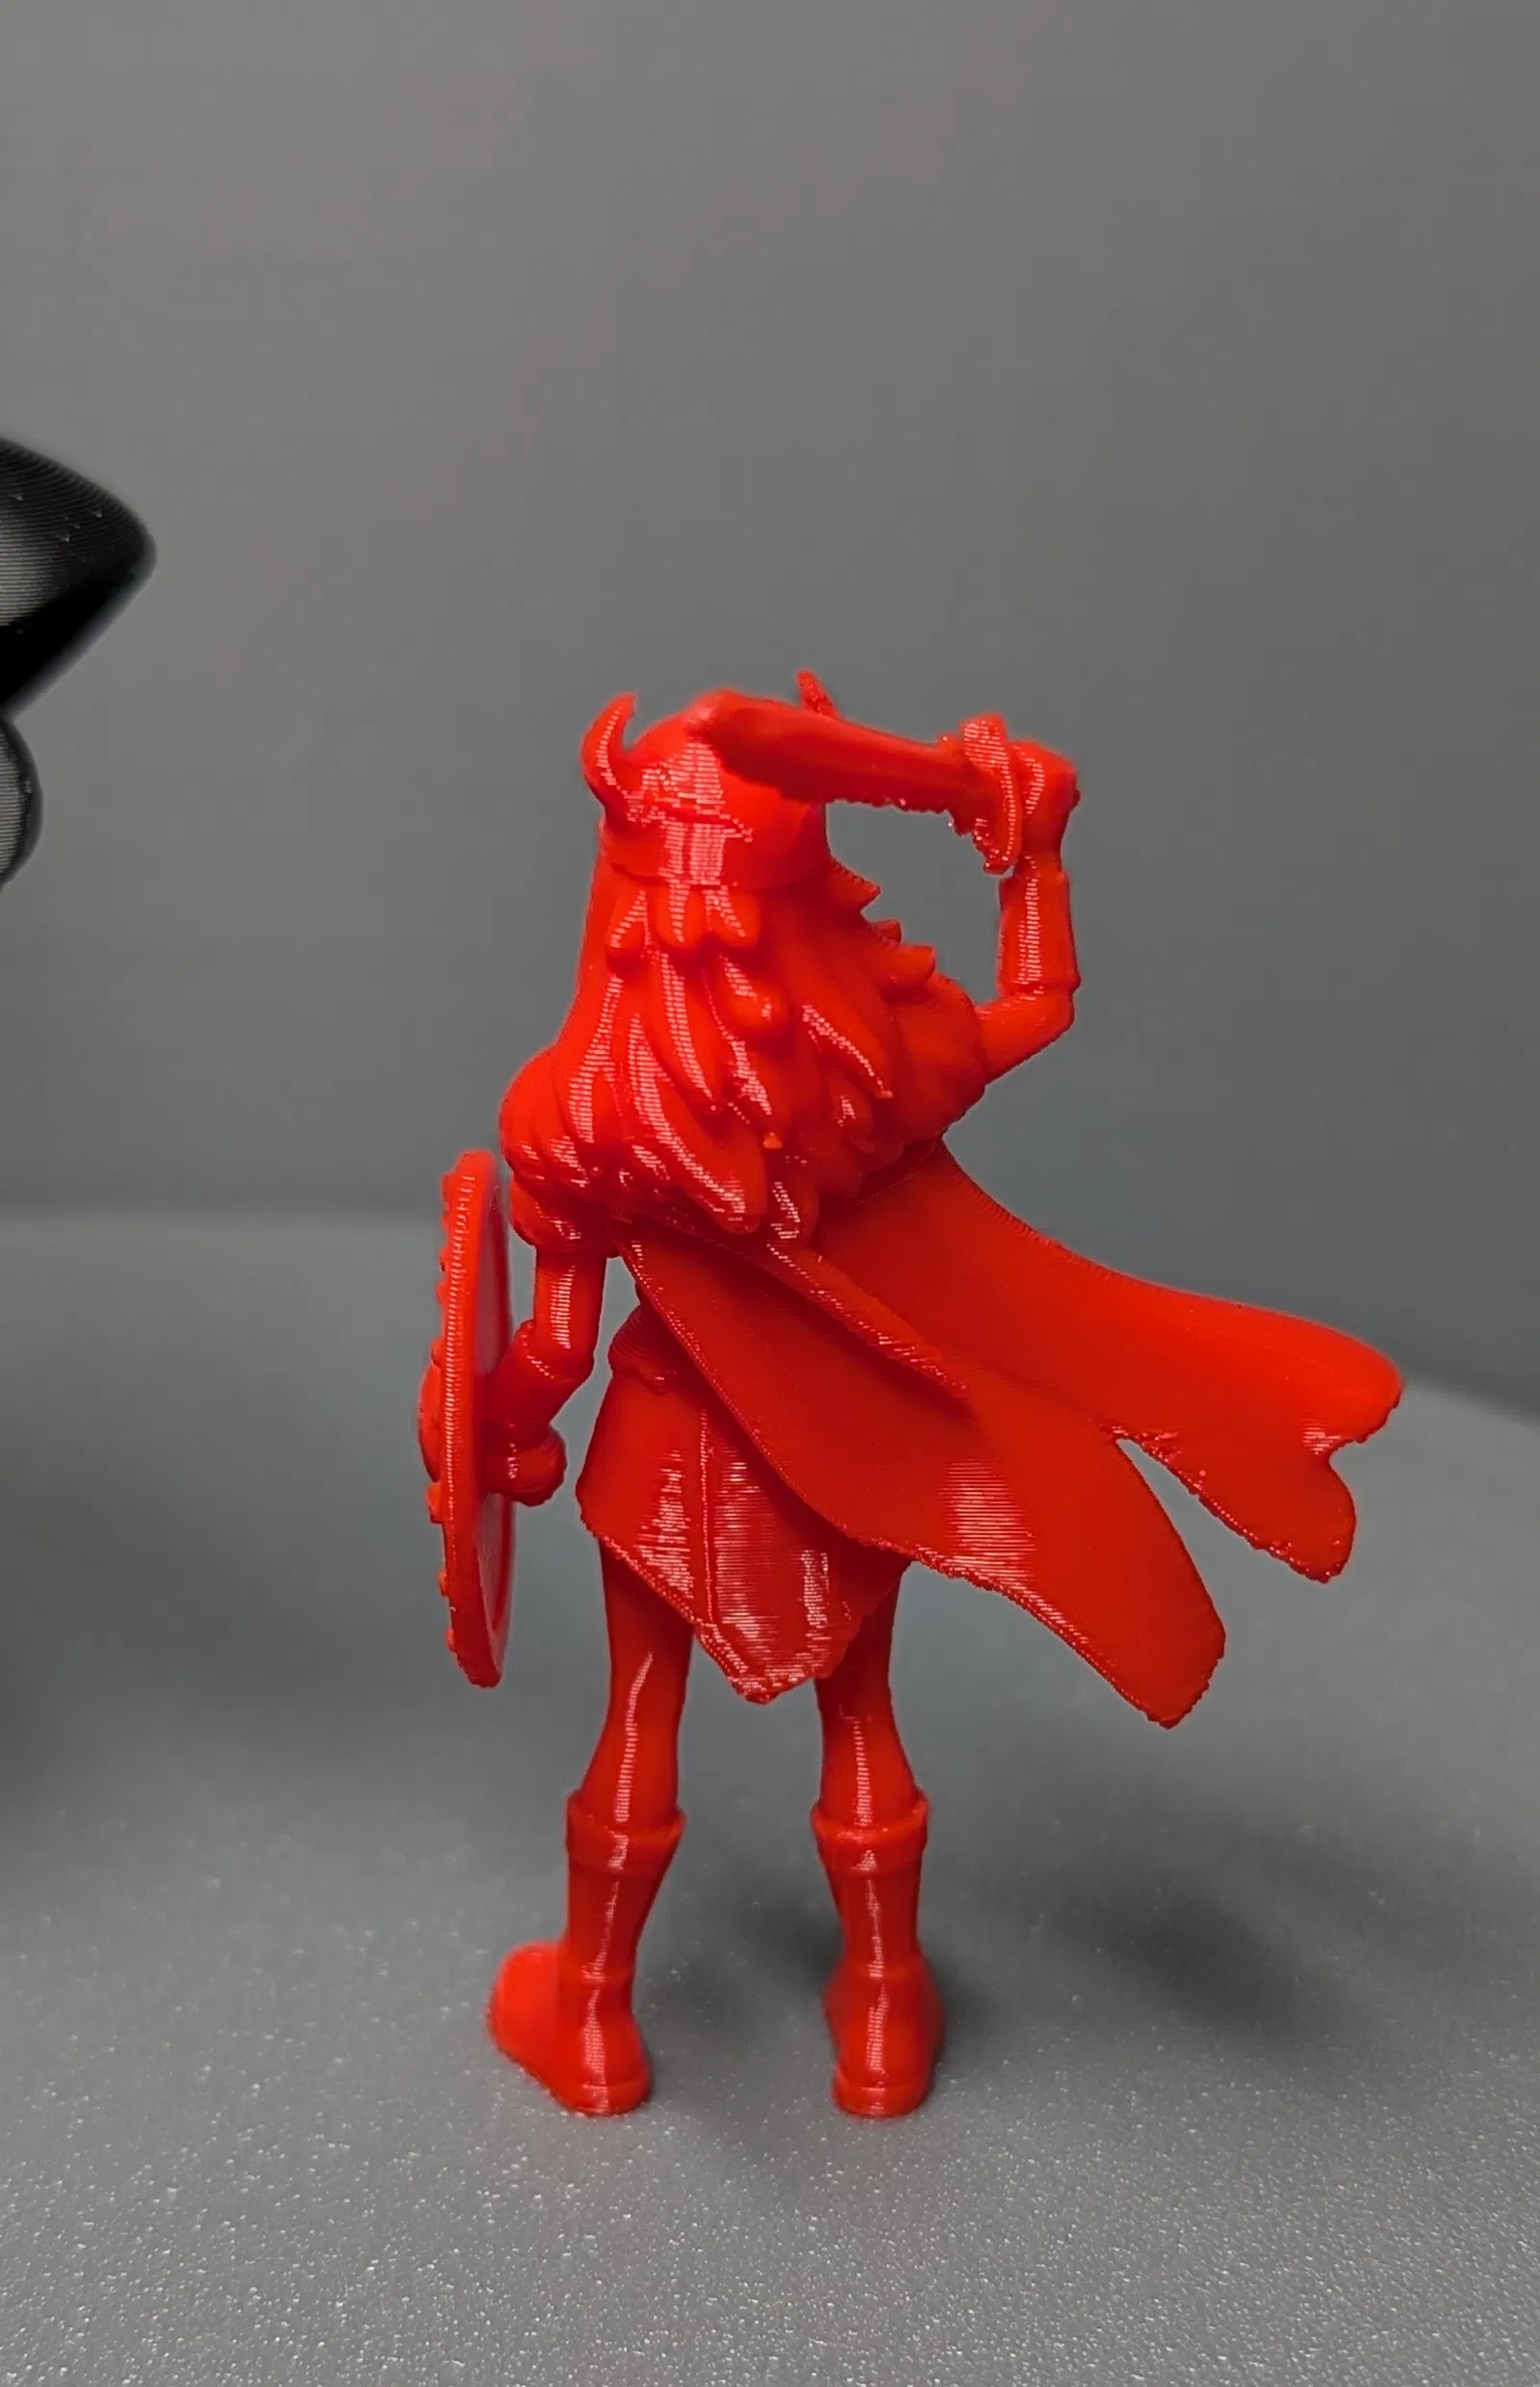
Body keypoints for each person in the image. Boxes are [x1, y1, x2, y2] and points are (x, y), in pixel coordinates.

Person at [421, 676, 1399, 2118]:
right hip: (844, 1463)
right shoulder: (873, 1076)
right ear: (803, 898)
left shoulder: (574, 1116)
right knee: (862, 1723)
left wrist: (493, 1429)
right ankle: (881, 2013)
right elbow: (1040, 1007)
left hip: (664, 1454)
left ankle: (595, 2013)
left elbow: (554, 1355)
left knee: (636, 1720)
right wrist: (1034, 856)